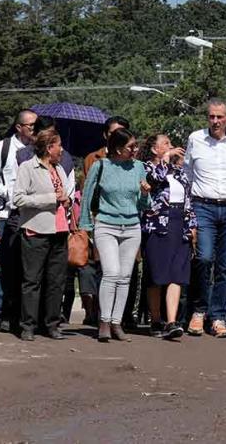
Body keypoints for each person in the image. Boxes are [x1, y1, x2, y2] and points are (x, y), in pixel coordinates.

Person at [184, 98, 226, 339]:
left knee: (225, 265)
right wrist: (190, 212)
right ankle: (199, 311)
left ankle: (218, 316)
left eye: (220, 117)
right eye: (211, 116)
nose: (215, 121)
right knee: (203, 258)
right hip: (204, 207)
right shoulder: (195, 139)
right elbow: (188, 175)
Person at [81, 128, 149, 342]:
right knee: (111, 273)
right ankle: (104, 321)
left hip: (131, 227)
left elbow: (143, 205)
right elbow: (87, 196)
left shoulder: (139, 167)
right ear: (118, 149)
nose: (135, 150)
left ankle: (117, 323)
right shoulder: (101, 166)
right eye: (131, 147)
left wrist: (146, 193)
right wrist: (85, 225)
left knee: (125, 277)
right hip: (106, 225)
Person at [12, 129, 72, 341]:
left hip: (60, 230)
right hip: (36, 230)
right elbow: (18, 199)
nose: (62, 149)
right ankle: (28, 325)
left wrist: (67, 200)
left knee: (56, 280)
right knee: (32, 280)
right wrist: (50, 198)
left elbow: (65, 195)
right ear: (49, 148)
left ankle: (52, 324)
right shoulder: (28, 168)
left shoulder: (60, 169)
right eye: (59, 145)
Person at [0, 109, 37, 331]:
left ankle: (21, 314)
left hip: (32, 216)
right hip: (7, 214)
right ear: (19, 127)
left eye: (36, 125)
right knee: (5, 266)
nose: (34, 129)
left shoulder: (37, 150)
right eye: (31, 125)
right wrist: (9, 193)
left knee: (27, 269)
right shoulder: (3, 147)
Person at [141, 134, 195, 340]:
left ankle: (171, 321)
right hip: (157, 225)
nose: (171, 147)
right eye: (166, 144)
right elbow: (154, 179)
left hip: (178, 223)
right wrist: (164, 160)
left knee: (176, 273)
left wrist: (191, 225)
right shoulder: (146, 168)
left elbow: (188, 198)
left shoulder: (179, 172)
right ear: (155, 150)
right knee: (157, 273)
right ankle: (156, 319)